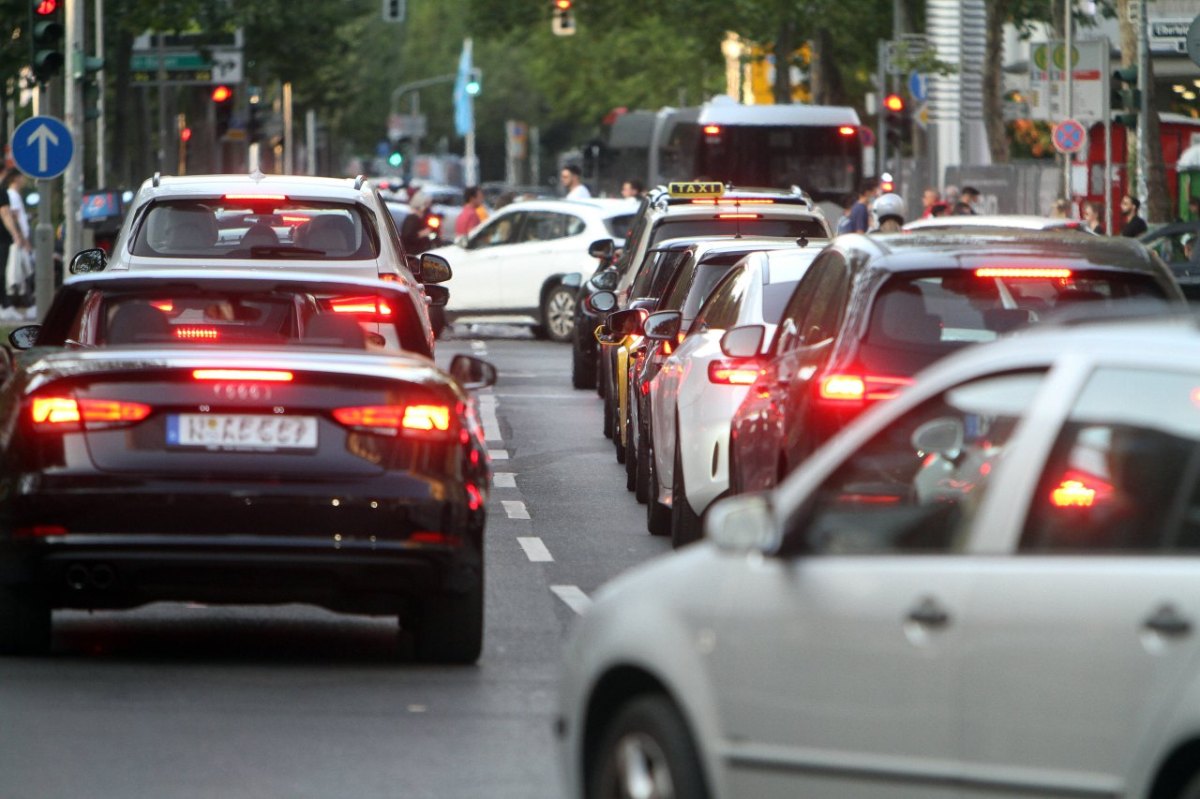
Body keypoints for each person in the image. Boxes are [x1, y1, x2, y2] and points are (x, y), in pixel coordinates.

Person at [0, 168, 31, 316]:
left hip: (7, 238)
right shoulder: (5, 193)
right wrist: (18, 236)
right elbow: (8, 214)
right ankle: (6, 305)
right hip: (6, 239)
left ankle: (7, 304)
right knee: (7, 273)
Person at [400, 190, 436, 254]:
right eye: (427, 204)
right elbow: (407, 237)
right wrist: (422, 234)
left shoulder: (421, 217)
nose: (428, 207)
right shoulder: (412, 219)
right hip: (413, 254)